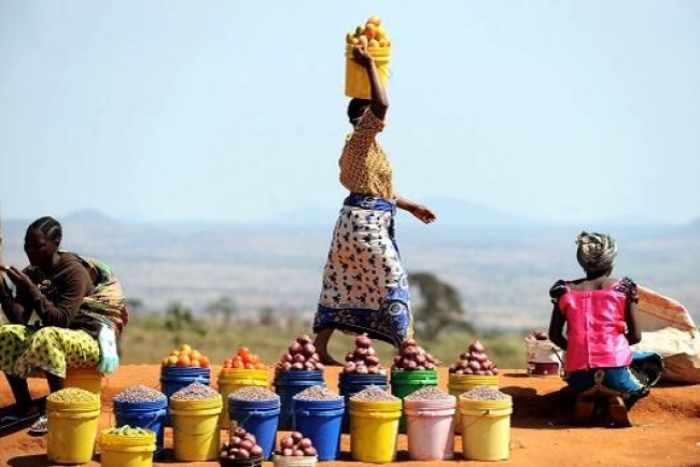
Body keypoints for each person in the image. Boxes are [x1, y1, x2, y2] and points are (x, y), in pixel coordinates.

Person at [313, 45, 437, 364]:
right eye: (370, 113)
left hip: (357, 222)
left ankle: (319, 348)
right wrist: (370, 65)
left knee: (341, 280)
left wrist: (409, 206)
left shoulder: (366, 148)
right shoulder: (360, 140)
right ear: (361, 116)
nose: (380, 118)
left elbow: (374, 188)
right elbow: (382, 103)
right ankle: (408, 347)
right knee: (392, 277)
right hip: (365, 226)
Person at [0, 217, 127, 432]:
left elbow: (60, 321)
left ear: (56, 242)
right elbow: (19, 320)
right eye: (26, 245)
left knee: (49, 335)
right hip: (61, 339)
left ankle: (57, 410)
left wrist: (32, 289)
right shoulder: (33, 272)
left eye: (38, 245)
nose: (30, 251)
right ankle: (26, 408)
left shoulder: (73, 271)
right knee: (5, 333)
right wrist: (2, 285)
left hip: (90, 339)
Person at [548, 231, 663, 426]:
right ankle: (619, 397)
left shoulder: (564, 291)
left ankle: (586, 397)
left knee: (583, 379)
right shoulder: (623, 288)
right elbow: (635, 337)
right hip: (615, 373)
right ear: (611, 261)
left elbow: (554, 335)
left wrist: (575, 349)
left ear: (581, 261)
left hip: (579, 378)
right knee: (652, 361)